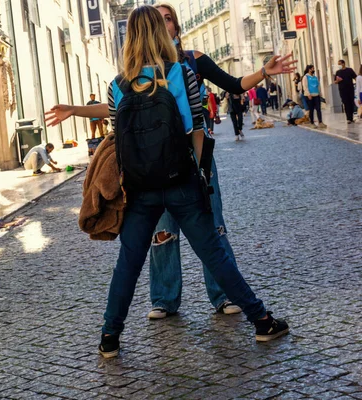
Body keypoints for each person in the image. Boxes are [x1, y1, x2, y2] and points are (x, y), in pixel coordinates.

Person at [45, 2, 296, 323]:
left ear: (175, 27)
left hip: (181, 166)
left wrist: (263, 72)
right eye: (158, 21)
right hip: (164, 169)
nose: (162, 26)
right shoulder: (136, 78)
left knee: (211, 231)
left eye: (167, 19)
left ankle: (219, 296)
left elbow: (232, 85)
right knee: (165, 235)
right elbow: (121, 111)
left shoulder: (190, 63)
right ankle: (166, 298)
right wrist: (76, 108)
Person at [98, 5, 288, 357]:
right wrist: (200, 175)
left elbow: (117, 138)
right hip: (180, 180)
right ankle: (261, 320)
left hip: (140, 189)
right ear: (160, 32)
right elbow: (195, 130)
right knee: (214, 253)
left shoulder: (117, 85)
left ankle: (110, 337)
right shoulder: (180, 73)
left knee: (129, 262)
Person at [334, 59, 357, 123]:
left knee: (351, 103)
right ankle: (348, 118)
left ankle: (351, 117)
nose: (339, 65)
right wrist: (337, 81)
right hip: (342, 90)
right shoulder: (338, 72)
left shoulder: (349, 70)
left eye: (339, 64)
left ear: (343, 63)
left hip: (350, 89)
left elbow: (355, 77)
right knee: (346, 103)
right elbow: (335, 81)